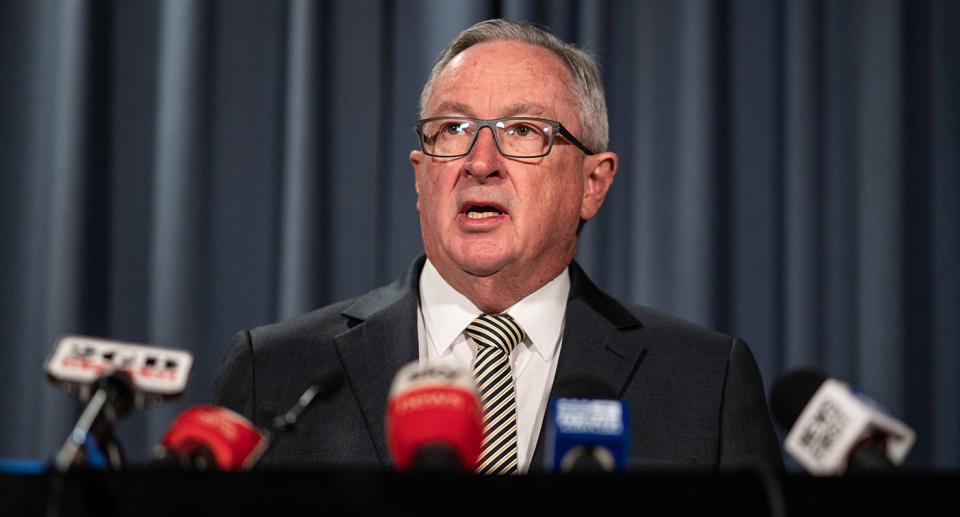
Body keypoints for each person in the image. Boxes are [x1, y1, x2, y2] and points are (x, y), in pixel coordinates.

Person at [211, 19, 782, 474]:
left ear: (593, 183)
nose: (479, 163)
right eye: (453, 130)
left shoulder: (706, 381)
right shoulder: (278, 371)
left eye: (523, 132)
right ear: (419, 177)